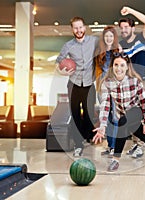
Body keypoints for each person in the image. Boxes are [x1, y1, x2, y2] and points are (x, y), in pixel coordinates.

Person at [92, 53, 145, 172]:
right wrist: (102, 126)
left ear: (127, 67)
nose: (119, 68)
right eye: (116, 65)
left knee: (122, 122)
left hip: (136, 110)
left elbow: (144, 103)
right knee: (143, 136)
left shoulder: (135, 81)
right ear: (112, 66)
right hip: (123, 114)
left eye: (122, 65)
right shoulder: (107, 82)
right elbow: (105, 106)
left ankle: (115, 160)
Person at [56, 16, 98, 157]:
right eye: (76, 28)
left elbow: (108, 45)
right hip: (74, 84)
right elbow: (58, 62)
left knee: (89, 114)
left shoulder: (94, 41)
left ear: (84, 27)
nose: (78, 30)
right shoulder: (68, 45)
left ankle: (87, 136)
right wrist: (61, 71)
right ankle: (78, 144)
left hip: (89, 84)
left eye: (80, 27)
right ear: (72, 29)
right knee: (75, 115)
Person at [118, 6, 145, 159]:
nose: (124, 30)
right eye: (122, 28)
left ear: (132, 27)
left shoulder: (142, 38)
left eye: (126, 27)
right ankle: (135, 143)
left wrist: (130, 11)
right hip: (131, 85)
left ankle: (141, 146)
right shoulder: (121, 45)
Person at [94, 26, 121, 157]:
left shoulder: (118, 50)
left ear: (114, 38)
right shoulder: (99, 52)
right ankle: (110, 146)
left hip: (115, 87)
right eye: (106, 36)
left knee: (115, 117)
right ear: (103, 38)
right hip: (102, 87)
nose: (109, 38)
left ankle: (115, 147)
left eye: (111, 36)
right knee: (106, 117)